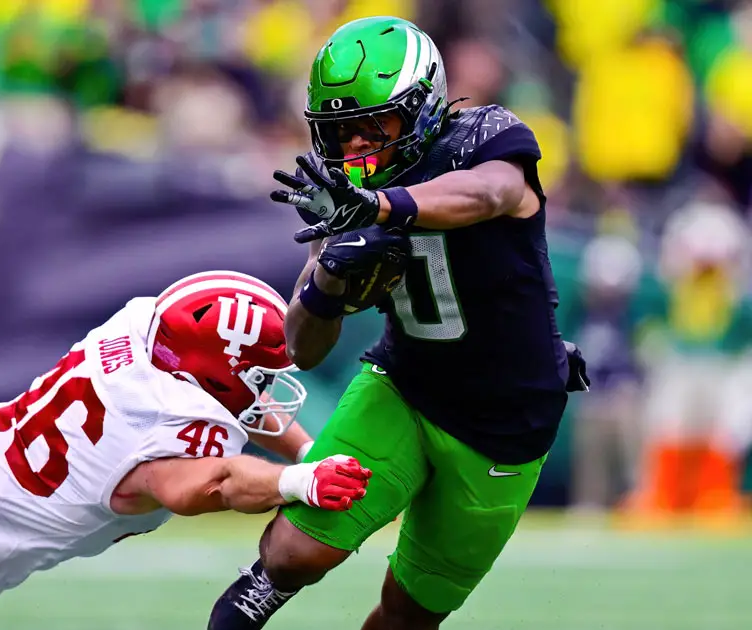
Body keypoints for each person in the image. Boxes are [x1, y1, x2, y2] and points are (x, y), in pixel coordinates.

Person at [207, 16, 589, 630]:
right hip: (403, 386)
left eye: (371, 127)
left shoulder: (484, 138)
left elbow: (489, 195)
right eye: (340, 133)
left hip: (505, 420)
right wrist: (329, 280)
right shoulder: (339, 191)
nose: (356, 149)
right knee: (294, 553)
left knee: (407, 616)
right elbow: (303, 346)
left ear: (423, 107)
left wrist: (383, 207)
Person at [0, 271, 371, 630]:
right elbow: (211, 481)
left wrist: (304, 448)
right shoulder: (173, 431)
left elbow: (235, 394)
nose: (269, 389)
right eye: (261, 377)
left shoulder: (144, 325)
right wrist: (299, 482)